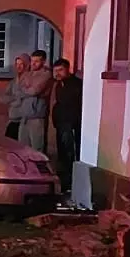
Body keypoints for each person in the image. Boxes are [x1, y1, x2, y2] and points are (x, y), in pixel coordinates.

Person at [51, 58, 82, 194]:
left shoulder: (76, 85)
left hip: (70, 124)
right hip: (61, 124)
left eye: (60, 70)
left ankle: (71, 183)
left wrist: (72, 122)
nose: (57, 73)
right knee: (62, 155)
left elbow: (74, 105)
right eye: (55, 71)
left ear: (67, 69)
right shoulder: (59, 85)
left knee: (70, 155)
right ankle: (64, 183)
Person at [15, 50, 53, 152]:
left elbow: (34, 91)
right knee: (22, 147)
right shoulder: (27, 74)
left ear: (44, 61)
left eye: (37, 61)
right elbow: (17, 90)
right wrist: (27, 88)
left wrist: (26, 89)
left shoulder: (46, 74)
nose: (33, 63)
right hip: (24, 117)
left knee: (37, 148)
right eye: (32, 61)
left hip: (36, 117)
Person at [0, 54, 29, 140]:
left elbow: (25, 96)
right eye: (17, 64)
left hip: (24, 120)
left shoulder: (29, 80)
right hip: (13, 119)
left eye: (21, 64)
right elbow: (3, 98)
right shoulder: (13, 81)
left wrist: (14, 99)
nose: (19, 67)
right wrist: (15, 98)